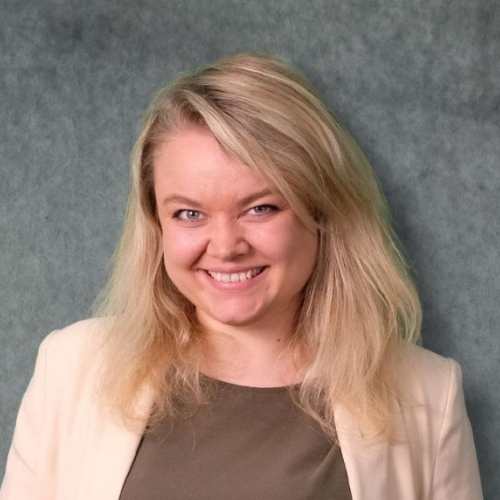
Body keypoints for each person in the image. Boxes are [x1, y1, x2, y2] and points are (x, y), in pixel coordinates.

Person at [0, 52, 483, 500]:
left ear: (322, 212)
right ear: (156, 225)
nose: (226, 246)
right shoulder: (70, 368)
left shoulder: (428, 397)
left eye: (260, 208)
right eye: (189, 214)